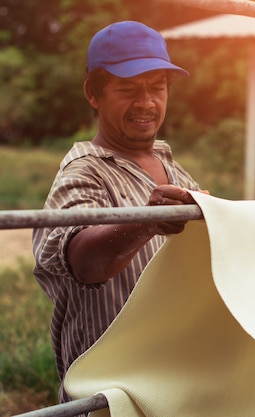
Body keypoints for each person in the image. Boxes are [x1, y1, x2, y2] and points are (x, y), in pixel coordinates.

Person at [32, 20, 205, 404]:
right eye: (127, 89)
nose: (146, 102)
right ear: (93, 94)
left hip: (174, 380)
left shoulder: (169, 164)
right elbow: (82, 260)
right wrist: (144, 222)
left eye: (157, 88)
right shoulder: (84, 171)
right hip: (112, 393)